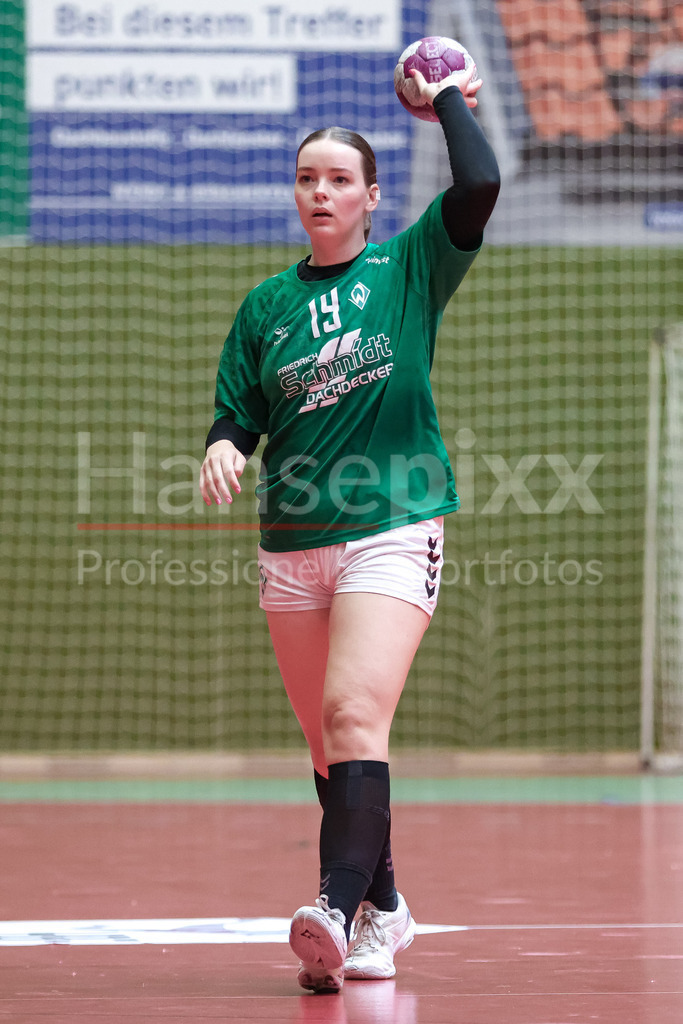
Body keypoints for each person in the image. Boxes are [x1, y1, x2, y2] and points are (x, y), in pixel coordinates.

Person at [199, 63, 500, 993]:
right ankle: (384, 910)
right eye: (306, 178)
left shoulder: (410, 265)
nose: (319, 191)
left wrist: (447, 95)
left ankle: (330, 907)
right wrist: (223, 446)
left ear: (371, 197)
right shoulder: (267, 307)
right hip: (291, 544)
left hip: (393, 525)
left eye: (337, 178)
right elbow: (237, 411)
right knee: (333, 747)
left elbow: (480, 184)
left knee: (351, 714)